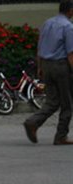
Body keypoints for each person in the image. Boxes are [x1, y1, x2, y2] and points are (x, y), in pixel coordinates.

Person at [24, 0, 73, 145]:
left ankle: (33, 122)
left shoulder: (48, 23)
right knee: (67, 103)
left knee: (52, 100)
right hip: (61, 66)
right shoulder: (68, 27)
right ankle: (61, 136)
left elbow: (40, 47)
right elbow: (71, 53)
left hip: (46, 65)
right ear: (70, 10)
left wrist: (40, 67)